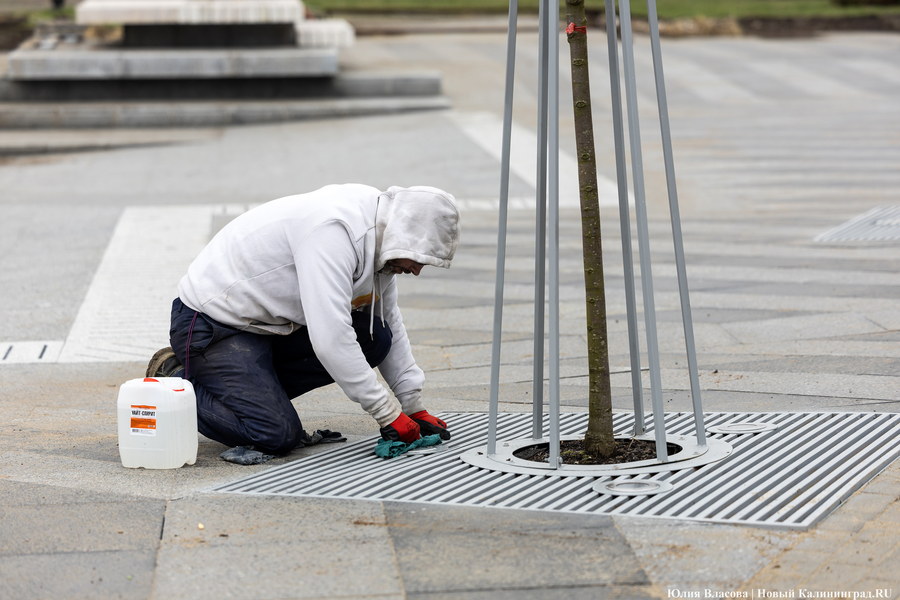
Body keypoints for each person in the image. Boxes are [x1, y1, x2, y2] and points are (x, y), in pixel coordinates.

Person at [146, 184, 460, 460]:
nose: (417, 270)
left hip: (267, 327)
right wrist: (387, 414)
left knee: (375, 337)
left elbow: (387, 317)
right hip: (213, 325)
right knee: (276, 434)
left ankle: (250, 395)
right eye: (419, 259)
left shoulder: (384, 238)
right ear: (405, 235)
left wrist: (411, 405)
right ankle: (176, 378)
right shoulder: (334, 233)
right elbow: (331, 338)